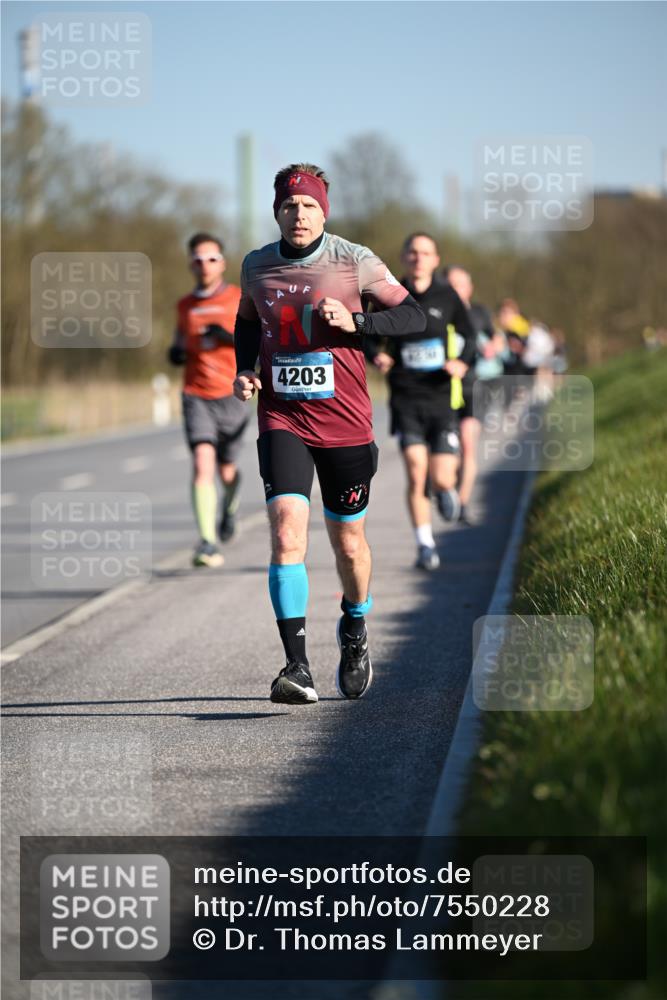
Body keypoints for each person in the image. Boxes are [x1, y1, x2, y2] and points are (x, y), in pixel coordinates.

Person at [233, 163, 425, 704]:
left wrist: (359, 324)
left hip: (345, 423)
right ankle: (296, 667)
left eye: (310, 206)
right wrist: (246, 368)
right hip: (282, 417)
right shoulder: (256, 265)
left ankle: (356, 625)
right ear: (277, 211)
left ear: (325, 211)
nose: (299, 215)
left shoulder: (354, 260)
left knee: (348, 541)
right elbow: (248, 320)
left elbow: (413, 318)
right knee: (287, 532)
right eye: (290, 206)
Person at [366, 234, 475, 570]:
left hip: (441, 397)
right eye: (412, 252)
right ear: (404, 257)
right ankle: (425, 545)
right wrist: (377, 356)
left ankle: (447, 490)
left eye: (425, 252)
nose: (418, 258)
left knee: (441, 477)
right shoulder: (390, 294)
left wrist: (462, 362)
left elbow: (469, 335)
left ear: (435, 258)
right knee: (416, 473)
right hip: (405, 397)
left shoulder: (447, 294)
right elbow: (367, 333)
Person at [168, 232, 247, 567]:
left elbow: (255, 343)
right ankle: (207, 542)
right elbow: (179, 340)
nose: (204, 265)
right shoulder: (185, 305)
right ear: (190, 264)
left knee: (227, 472)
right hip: (196, 395)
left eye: (211, 258)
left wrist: (226, 337)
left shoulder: (239, 298)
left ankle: (229, 508)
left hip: (232, 394)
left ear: (222, 263)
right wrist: (175, 351)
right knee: (203, 464)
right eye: (198, 259)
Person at [445, 266, 504, 525]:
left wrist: (494, 346)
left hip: (473, 387)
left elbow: (496, 337)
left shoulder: (479, 313)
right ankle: (444, 485)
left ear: (469, 288)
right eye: (451, 284)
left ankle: (463, 502)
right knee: (449, 450)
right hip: (442, 388)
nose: (456, 289)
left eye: (461, 284)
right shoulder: (437, 312)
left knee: (468, 446)